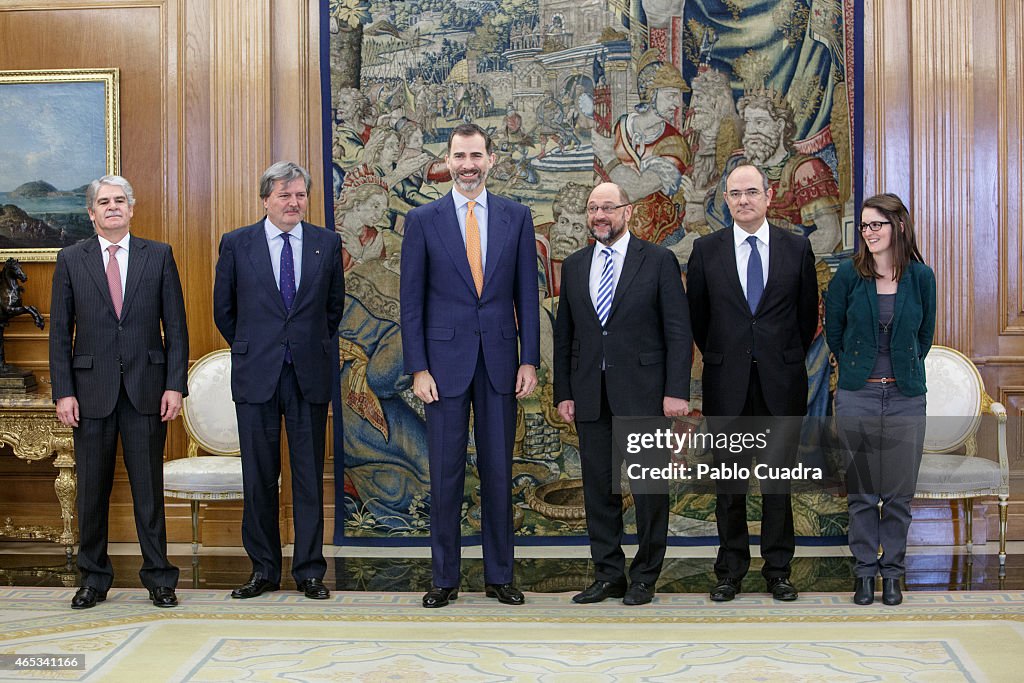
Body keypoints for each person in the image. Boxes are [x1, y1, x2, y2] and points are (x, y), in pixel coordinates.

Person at [400, 123, 540, 608]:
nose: (468, 165)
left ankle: (500, 576)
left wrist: (529, 359)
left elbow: (528, 293)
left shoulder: (516, 217)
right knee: (445, 474)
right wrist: (418, 367)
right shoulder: (423, 221)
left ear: (491, 160)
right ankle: (445, 578)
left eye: (476, 155)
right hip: (443, 366)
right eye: (459, 156)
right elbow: (411, 302)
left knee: (499, 471)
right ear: (447, 160)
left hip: (502, 363)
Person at [49, 175, 188, 609]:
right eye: (103, 202)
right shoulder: (71, 259)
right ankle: (93, 579)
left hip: (148, 389)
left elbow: (177, 329)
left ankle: (159, 578)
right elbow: (58, 333)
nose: (112, 207)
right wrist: (63, 392)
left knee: (148, 488)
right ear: (91, 213)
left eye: (120, 200)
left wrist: (174, 385)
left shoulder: (159, 256)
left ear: (132, 208)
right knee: (91, 490)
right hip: (89, 393)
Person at [553, 182, 692, 605]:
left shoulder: (659, 261)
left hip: (645, 394)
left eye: (608, 208)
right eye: (593, 207)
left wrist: (675, 391)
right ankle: (608, 573)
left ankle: (645, 575)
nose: (599, 215)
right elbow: (565, 336)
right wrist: (564, 393)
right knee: (599, 490)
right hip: (591, 396)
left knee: (650, 492)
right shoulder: (574, 266)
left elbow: (677, 331)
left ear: (627, 213)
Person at [213, 161, 345, 601]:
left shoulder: (327, 244)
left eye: (300, 195)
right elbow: (224, 312)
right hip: (257, 376)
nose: (294, 203)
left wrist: (302, 345)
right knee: (260, 478)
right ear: (265, 198)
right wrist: (258, 347)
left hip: (309, 374)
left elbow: (332, 310)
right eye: (285, 195)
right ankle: (264, 570)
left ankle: (309, 571)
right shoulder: (236, 244)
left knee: (308, 477)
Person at [686, 164, 818, 602]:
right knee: (730, 484)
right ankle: (731, 571)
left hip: (781, 383)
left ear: (769, 195)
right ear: (725, 199)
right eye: (735, 193)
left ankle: (778, 571)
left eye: (751, 192)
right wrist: (730, 357)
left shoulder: (796, 249)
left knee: (778, 483)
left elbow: (804, 319)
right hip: (727, 383)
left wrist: (774, 356)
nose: (743, 200)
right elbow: (699, 322)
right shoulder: (706, 251)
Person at [825, 193, 935, 606]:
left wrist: (897, 372)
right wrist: (862, 371)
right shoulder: (849, 276)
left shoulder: (921, 277)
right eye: (865, 226)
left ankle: (893, 574)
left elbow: (924, 338)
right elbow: (834, 330)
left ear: (899, 227)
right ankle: (865, 574)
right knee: (864, 492)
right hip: (858, 396)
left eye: (877, 225)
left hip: (906, 395)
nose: (868, 233)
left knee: (899, 493)